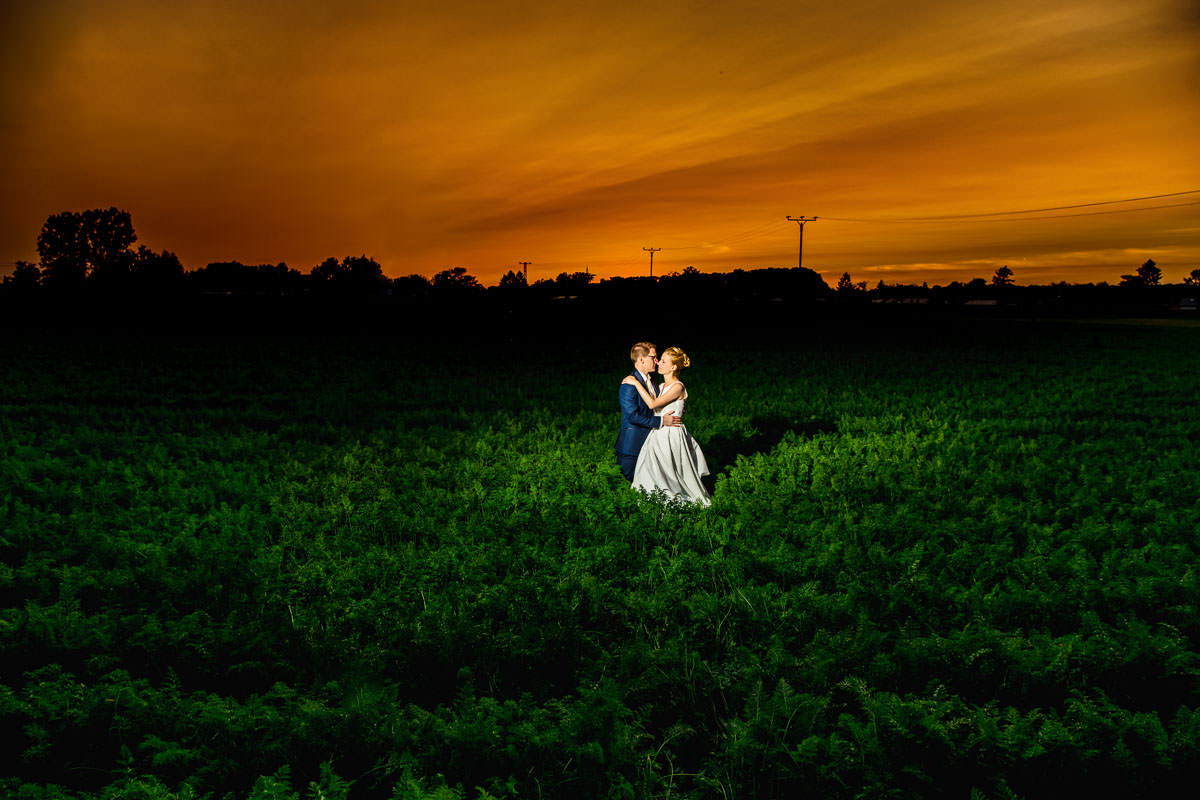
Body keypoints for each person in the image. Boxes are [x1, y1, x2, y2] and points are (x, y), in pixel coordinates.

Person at [622, 346, 711, 507]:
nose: (658, 363)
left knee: (673, 473)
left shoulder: (678, 387)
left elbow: (653, 404)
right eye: (659, 360)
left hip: (672, 434)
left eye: (663, 361)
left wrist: (635, 383)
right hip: (657, 434)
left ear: (673, 367)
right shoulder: (661, 386)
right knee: (652, 472)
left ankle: (680, 503)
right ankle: (653, 503)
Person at [616, 342, 681, 482]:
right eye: (653, 357)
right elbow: (632, 417)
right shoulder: (628, 384)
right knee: (628, 483)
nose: (656, 361)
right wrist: (661, 421)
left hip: (653, 443)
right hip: (633, 445)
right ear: (641, 360)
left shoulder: (653, 381)